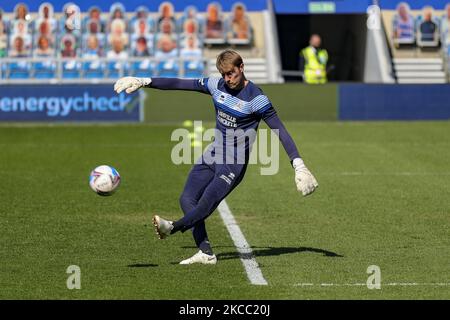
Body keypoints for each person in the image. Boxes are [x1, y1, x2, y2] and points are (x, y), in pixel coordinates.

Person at [113, 50, 319, 265]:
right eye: (224, 75)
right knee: (186, 199)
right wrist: (144, 81)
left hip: (233, 163)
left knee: (206, 204)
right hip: (212, 153)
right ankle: (206, 253)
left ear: (241, 67)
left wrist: (299, 165)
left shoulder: (257, 99)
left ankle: (173, 227)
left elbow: (280, 130)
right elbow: (180, 83)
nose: (228, 79)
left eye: (231, 73)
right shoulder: (215, 84)